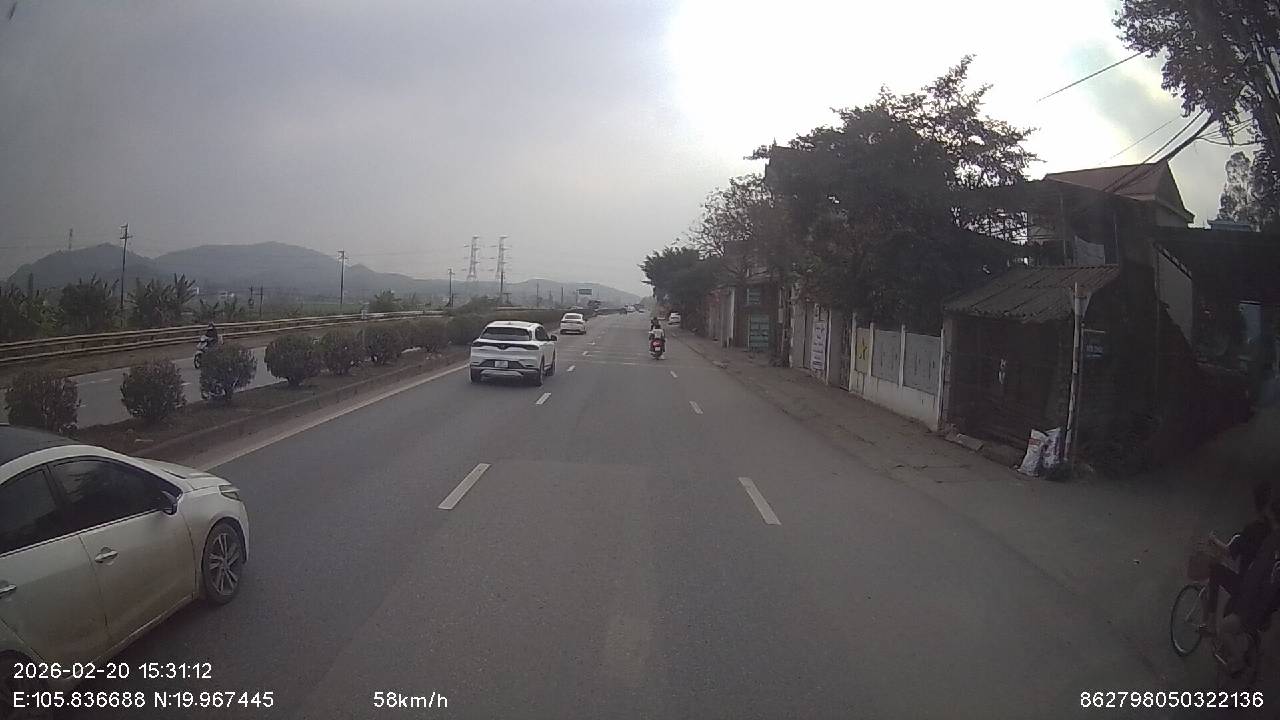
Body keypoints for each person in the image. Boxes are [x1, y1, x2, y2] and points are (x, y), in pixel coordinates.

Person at [1202, 481, 1274, 631]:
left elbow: (1229, 551)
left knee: (1215, 570)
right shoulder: (1270, 529)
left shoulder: (1251, 530)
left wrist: (1214, 540)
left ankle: (1210, 623)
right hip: (1261, 588)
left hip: (1245, 586)